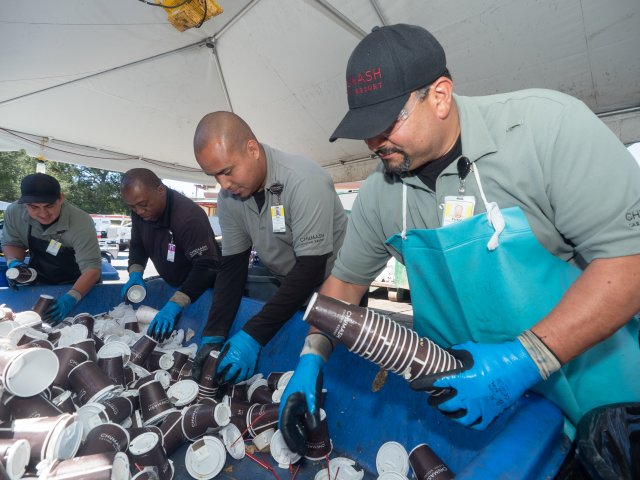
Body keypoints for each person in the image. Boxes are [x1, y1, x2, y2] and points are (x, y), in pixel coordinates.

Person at [278, 24, 640, 455]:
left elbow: (629, 263)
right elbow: (345, 283)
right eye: (364, 128)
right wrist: (311, 358)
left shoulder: (546, 130)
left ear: (441, 96)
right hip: (478, 399)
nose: (374, 142)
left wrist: (521, 360)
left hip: (595, 393)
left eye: (386, 122)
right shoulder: (380, 192)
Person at [191, 111, 348, 384]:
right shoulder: (229, 198)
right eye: (214, 176)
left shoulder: (304, 180)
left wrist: (253, 335)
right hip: (290, 287)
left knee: (332, 372)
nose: (224, 184)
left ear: (252, 149)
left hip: (335, 287)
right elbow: (232, 267)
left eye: (227, 171)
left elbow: (311, 267)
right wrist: (214, 333)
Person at [120, 168, 221, 342]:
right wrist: (135, 272)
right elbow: (138, 244)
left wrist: (176, 303)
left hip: (203, 289)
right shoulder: (138, 211)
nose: (139, 212)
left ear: (161, 191)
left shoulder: (187, 216)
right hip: (173, 282)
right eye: (132, 207)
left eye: (143, 205)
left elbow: (207, 265)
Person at [1, 173, 102, 323]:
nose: (43, 214)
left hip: (78, 284)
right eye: (34, 207)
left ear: (61, 198)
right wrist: (14, 263)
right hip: (39, 281)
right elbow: (13, 243)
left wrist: (72, 297)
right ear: (24, 204)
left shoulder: (81, 222)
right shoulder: (14, 212)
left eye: (49, 206)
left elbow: (92, 270)